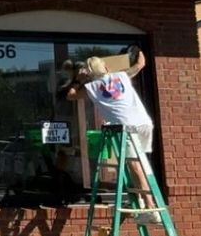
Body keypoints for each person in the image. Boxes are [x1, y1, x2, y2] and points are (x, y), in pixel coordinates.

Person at [64, 47, 156, 190]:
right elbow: (140, 64)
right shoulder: (122, 76)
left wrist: (78, 80)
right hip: (144, 124)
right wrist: (138, 49)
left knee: (135, 166)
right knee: (141, 162)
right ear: (106, 67)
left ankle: (148, 201)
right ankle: (141, 195)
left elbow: (70, 95)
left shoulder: (93, 87)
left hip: (127, 128)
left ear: (89, 74)